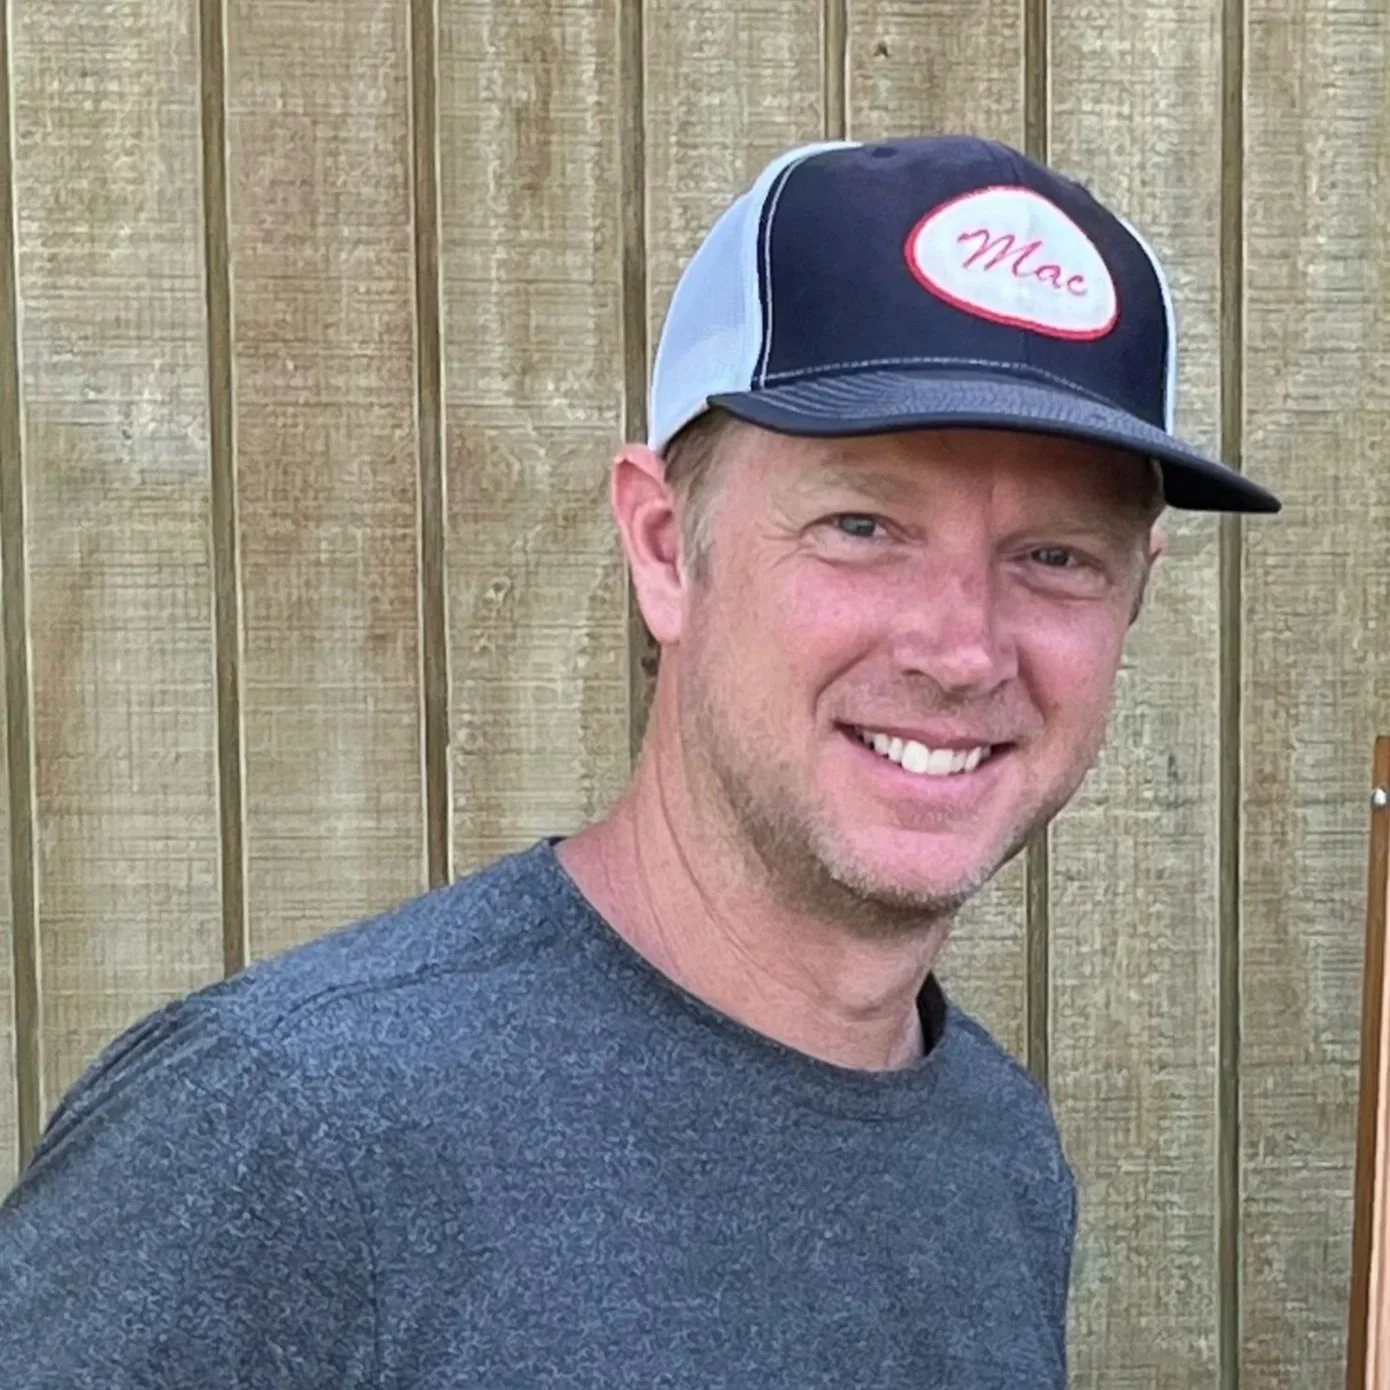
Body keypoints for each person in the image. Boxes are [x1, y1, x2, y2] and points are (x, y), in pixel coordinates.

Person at [0, 135, 1278, 1388]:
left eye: (1055, 555)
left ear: (1132, 596)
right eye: (862, 525)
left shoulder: (994, 1154)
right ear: (666, 547)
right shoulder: (290, 1135)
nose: (960, 648)